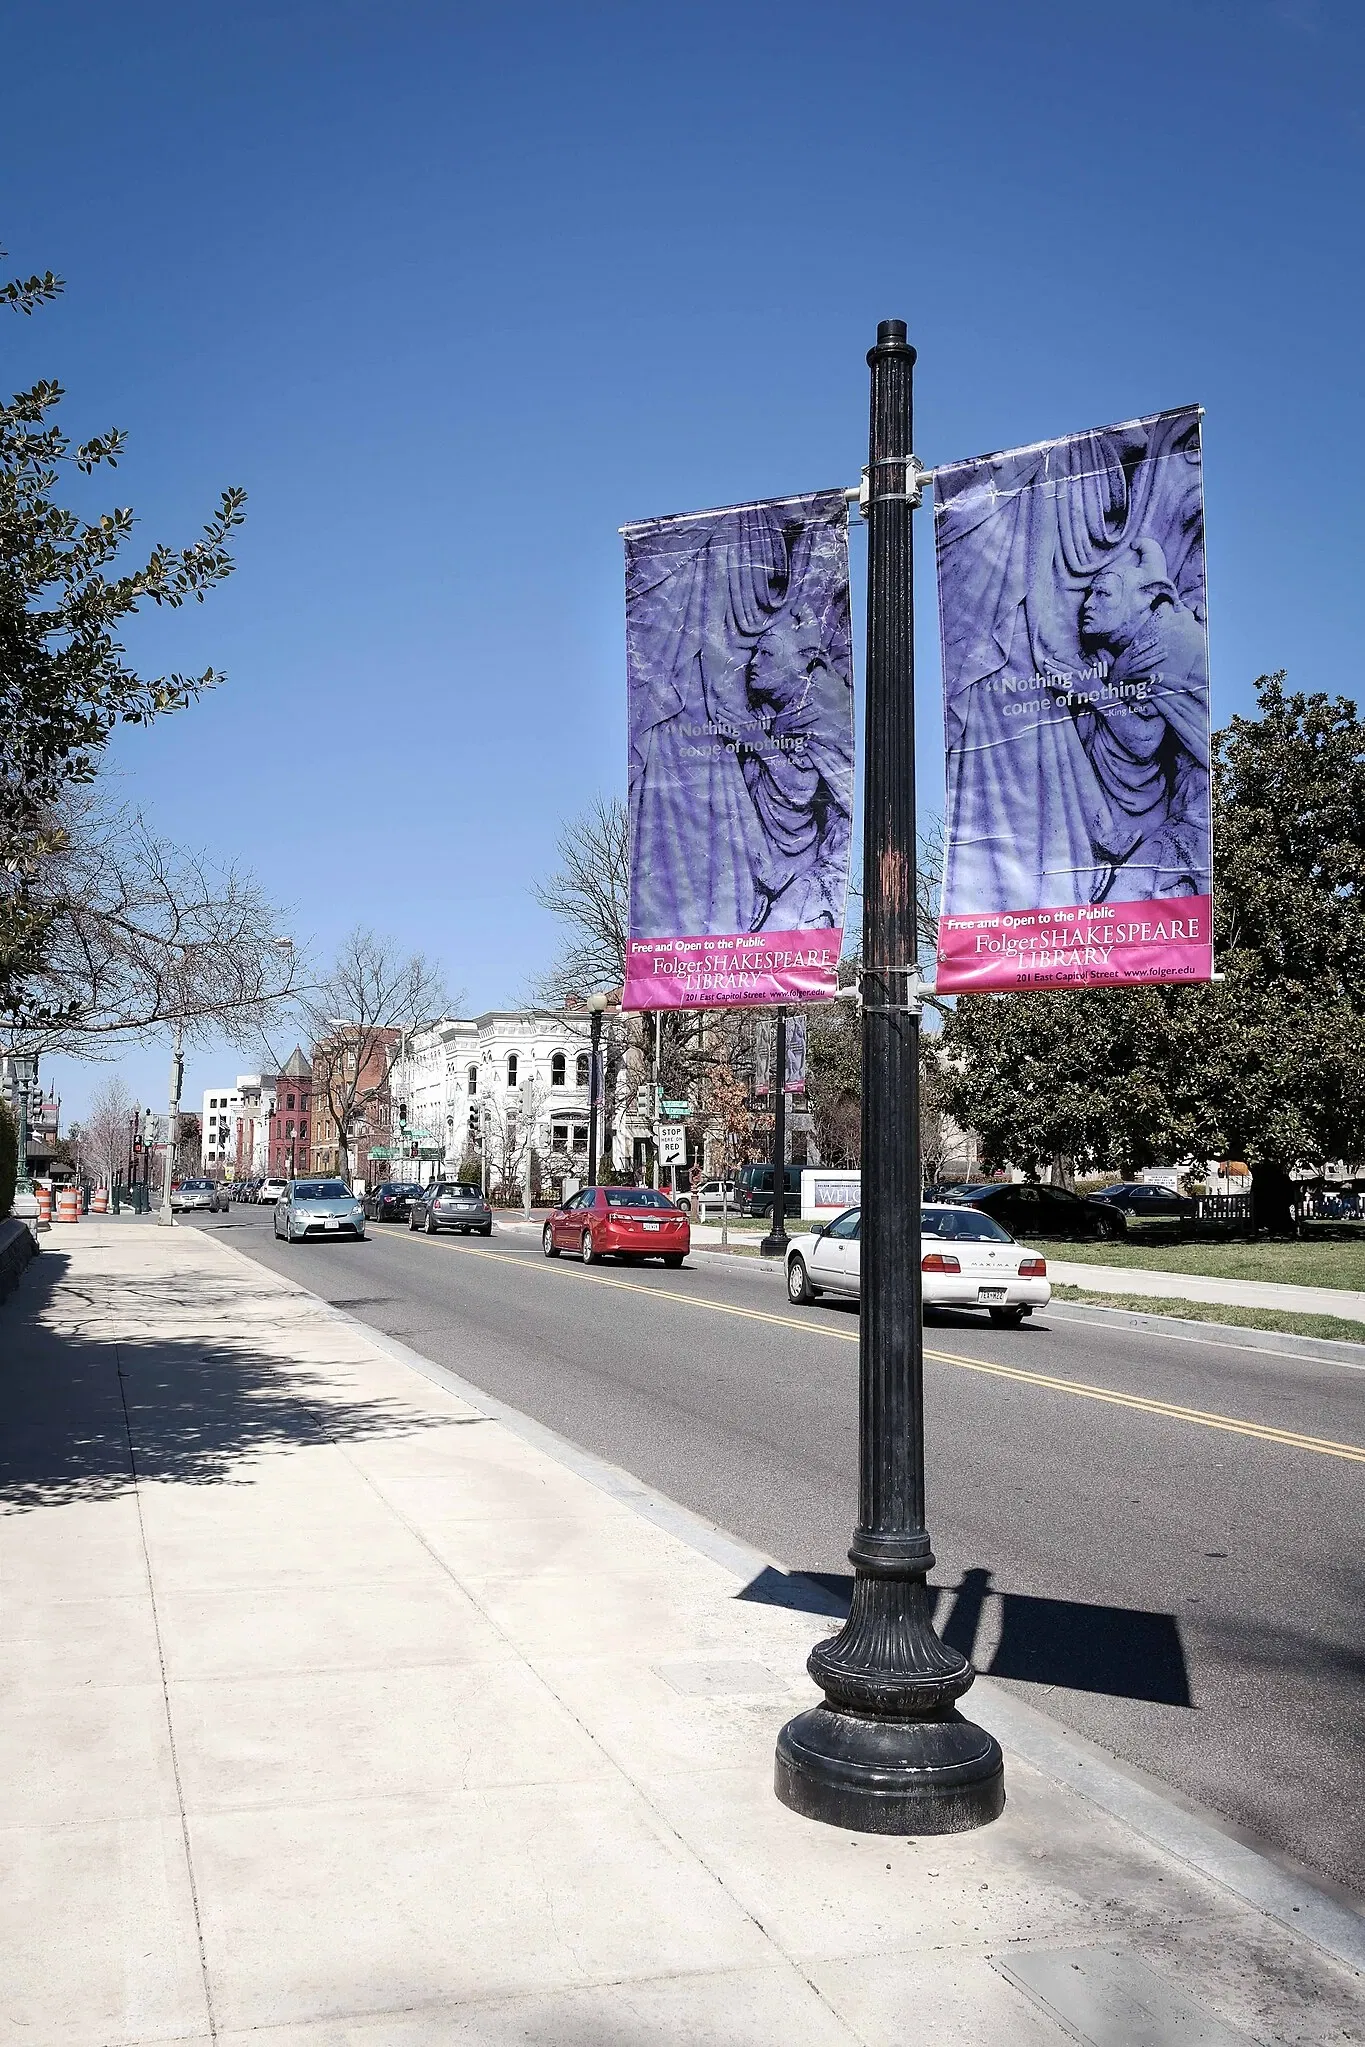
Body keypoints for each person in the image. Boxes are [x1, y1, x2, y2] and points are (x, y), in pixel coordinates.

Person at [1070, 537, 1210, 902]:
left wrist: (1095, 690)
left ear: (1148, 597)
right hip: (1186, 812)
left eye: (1103, 595)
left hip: (1203, 818)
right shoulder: (1142, 648)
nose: (1088, 604)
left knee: (1121, 904)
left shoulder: (1173, 644)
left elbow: (1145, 740)